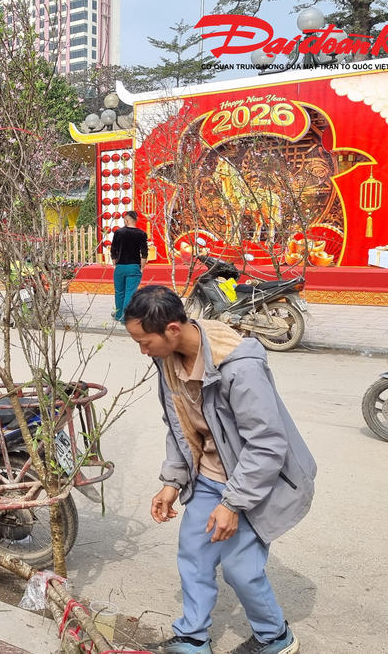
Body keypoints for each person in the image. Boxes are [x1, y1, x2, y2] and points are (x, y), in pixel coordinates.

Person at [124, 285, 315, 654]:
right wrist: (171, 482)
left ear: (173, 330)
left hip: (256, 481)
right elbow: (180, 425)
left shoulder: (239, 367)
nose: (142, 350)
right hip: (208, 477)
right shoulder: (166, 360)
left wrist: (233, 504)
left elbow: (267, 444)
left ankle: (275, 638)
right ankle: (192, 639)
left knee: (240, 571)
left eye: (145, 341)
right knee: (194, 557)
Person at [111, 211, 149, 322]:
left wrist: (114, 264)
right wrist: (142, 268)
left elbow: (114, 250)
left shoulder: (118, 232)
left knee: (119, 292)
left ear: (126, 220)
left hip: (120, 266)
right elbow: (144, 252)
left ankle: (118, 315)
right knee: (130, 292)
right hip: (133, 266)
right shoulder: (141, 234)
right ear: (135, 220)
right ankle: (125, 317)